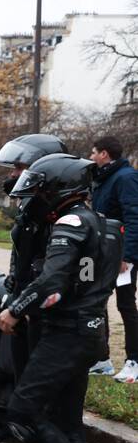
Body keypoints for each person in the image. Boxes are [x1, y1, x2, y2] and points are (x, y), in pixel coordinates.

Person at [0, 154, 122, 443]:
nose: (36, 196)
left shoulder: (69, 223)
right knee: (67, 417)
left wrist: (15, 309)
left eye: (40, 188)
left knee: (23, 409)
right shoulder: (105, 224)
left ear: (57, 189)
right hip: (91, 332)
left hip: (64, 333)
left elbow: (52, 283)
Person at [0, 133, 68, 443]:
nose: (16, 174)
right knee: (25, 384)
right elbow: (20, 258)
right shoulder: (30, 208)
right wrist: (11, 289)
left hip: (48, 315)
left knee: (44, 391)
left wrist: (26, 301)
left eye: (22, 167)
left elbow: (53, 270)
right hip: (24, 308)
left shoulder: (61, 214)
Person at [89, 135, 138, 382]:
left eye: (94, 152)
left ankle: (134, 361)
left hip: (122, 257)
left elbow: (134, 217)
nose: (91, 157)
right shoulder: (103, 179)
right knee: (97, 303)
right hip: (104, 253)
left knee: (126, 306)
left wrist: (127, 256)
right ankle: (102, 359)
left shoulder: (126, 178)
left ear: (105, 154)